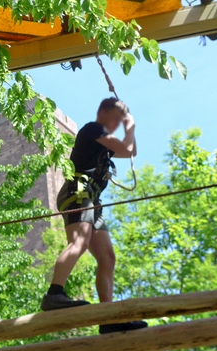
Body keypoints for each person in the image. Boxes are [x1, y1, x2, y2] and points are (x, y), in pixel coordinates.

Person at [40, 98, 148, 335]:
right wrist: (130, 126)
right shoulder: (93, 129)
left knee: (107, 257)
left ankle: (107, 317)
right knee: (80, 241)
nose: (117, 125)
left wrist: (130, 129)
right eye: (116, 119)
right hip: (78, 191)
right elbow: (127, 148)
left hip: (92, 200)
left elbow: (131, 151)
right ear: (104, 113)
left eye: (120, 121)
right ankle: (54, 294)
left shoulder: (104, 143)